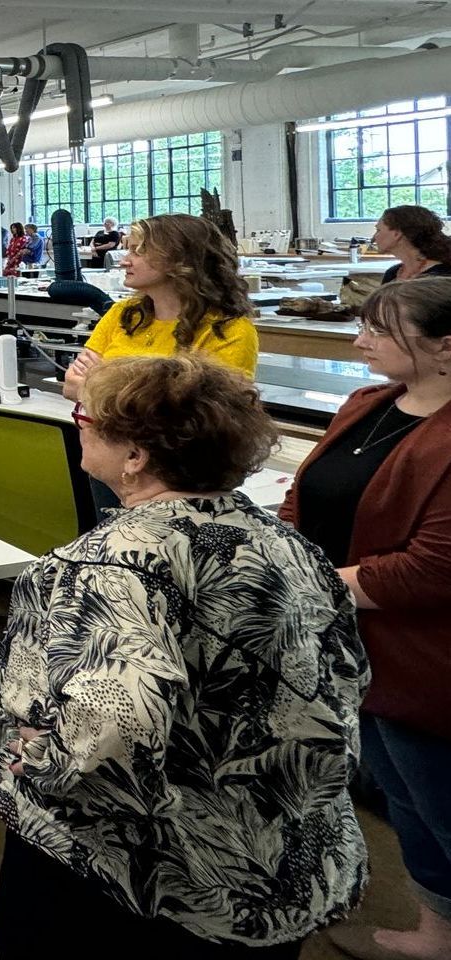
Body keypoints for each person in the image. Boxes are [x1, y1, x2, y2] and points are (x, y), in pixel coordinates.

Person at [0, 354, 369, 958]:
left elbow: (108, 735)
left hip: (144, 881)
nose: (78, 423)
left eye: (87, 417)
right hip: (279, 860)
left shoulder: (102, 571)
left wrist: (27, 768)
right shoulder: (290, 547)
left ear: (135, 456)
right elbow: (346, 677)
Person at [279, 279, 451, 960]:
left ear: (444, 347)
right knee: (406, 803)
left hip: (424, 661)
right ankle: (437, 932)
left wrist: (304, 583)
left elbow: (429, 570)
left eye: (379, 331)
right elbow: (304, 495)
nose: (358, 341)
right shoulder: (368, 403)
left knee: (438, 802)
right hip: (359, 646)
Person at [63, 212, 257, 401]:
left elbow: (207, 415)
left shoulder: (228, 330)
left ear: (180, 259)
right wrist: (156, 394)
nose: (124, 261)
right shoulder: (122, 315)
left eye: (137, 251)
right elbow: (71, 386)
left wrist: (101, 382)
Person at [375, 204, 451, 284]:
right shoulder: (392, 273)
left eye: (378, 230)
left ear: (397, 234)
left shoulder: (442, 275)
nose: (374, 238)